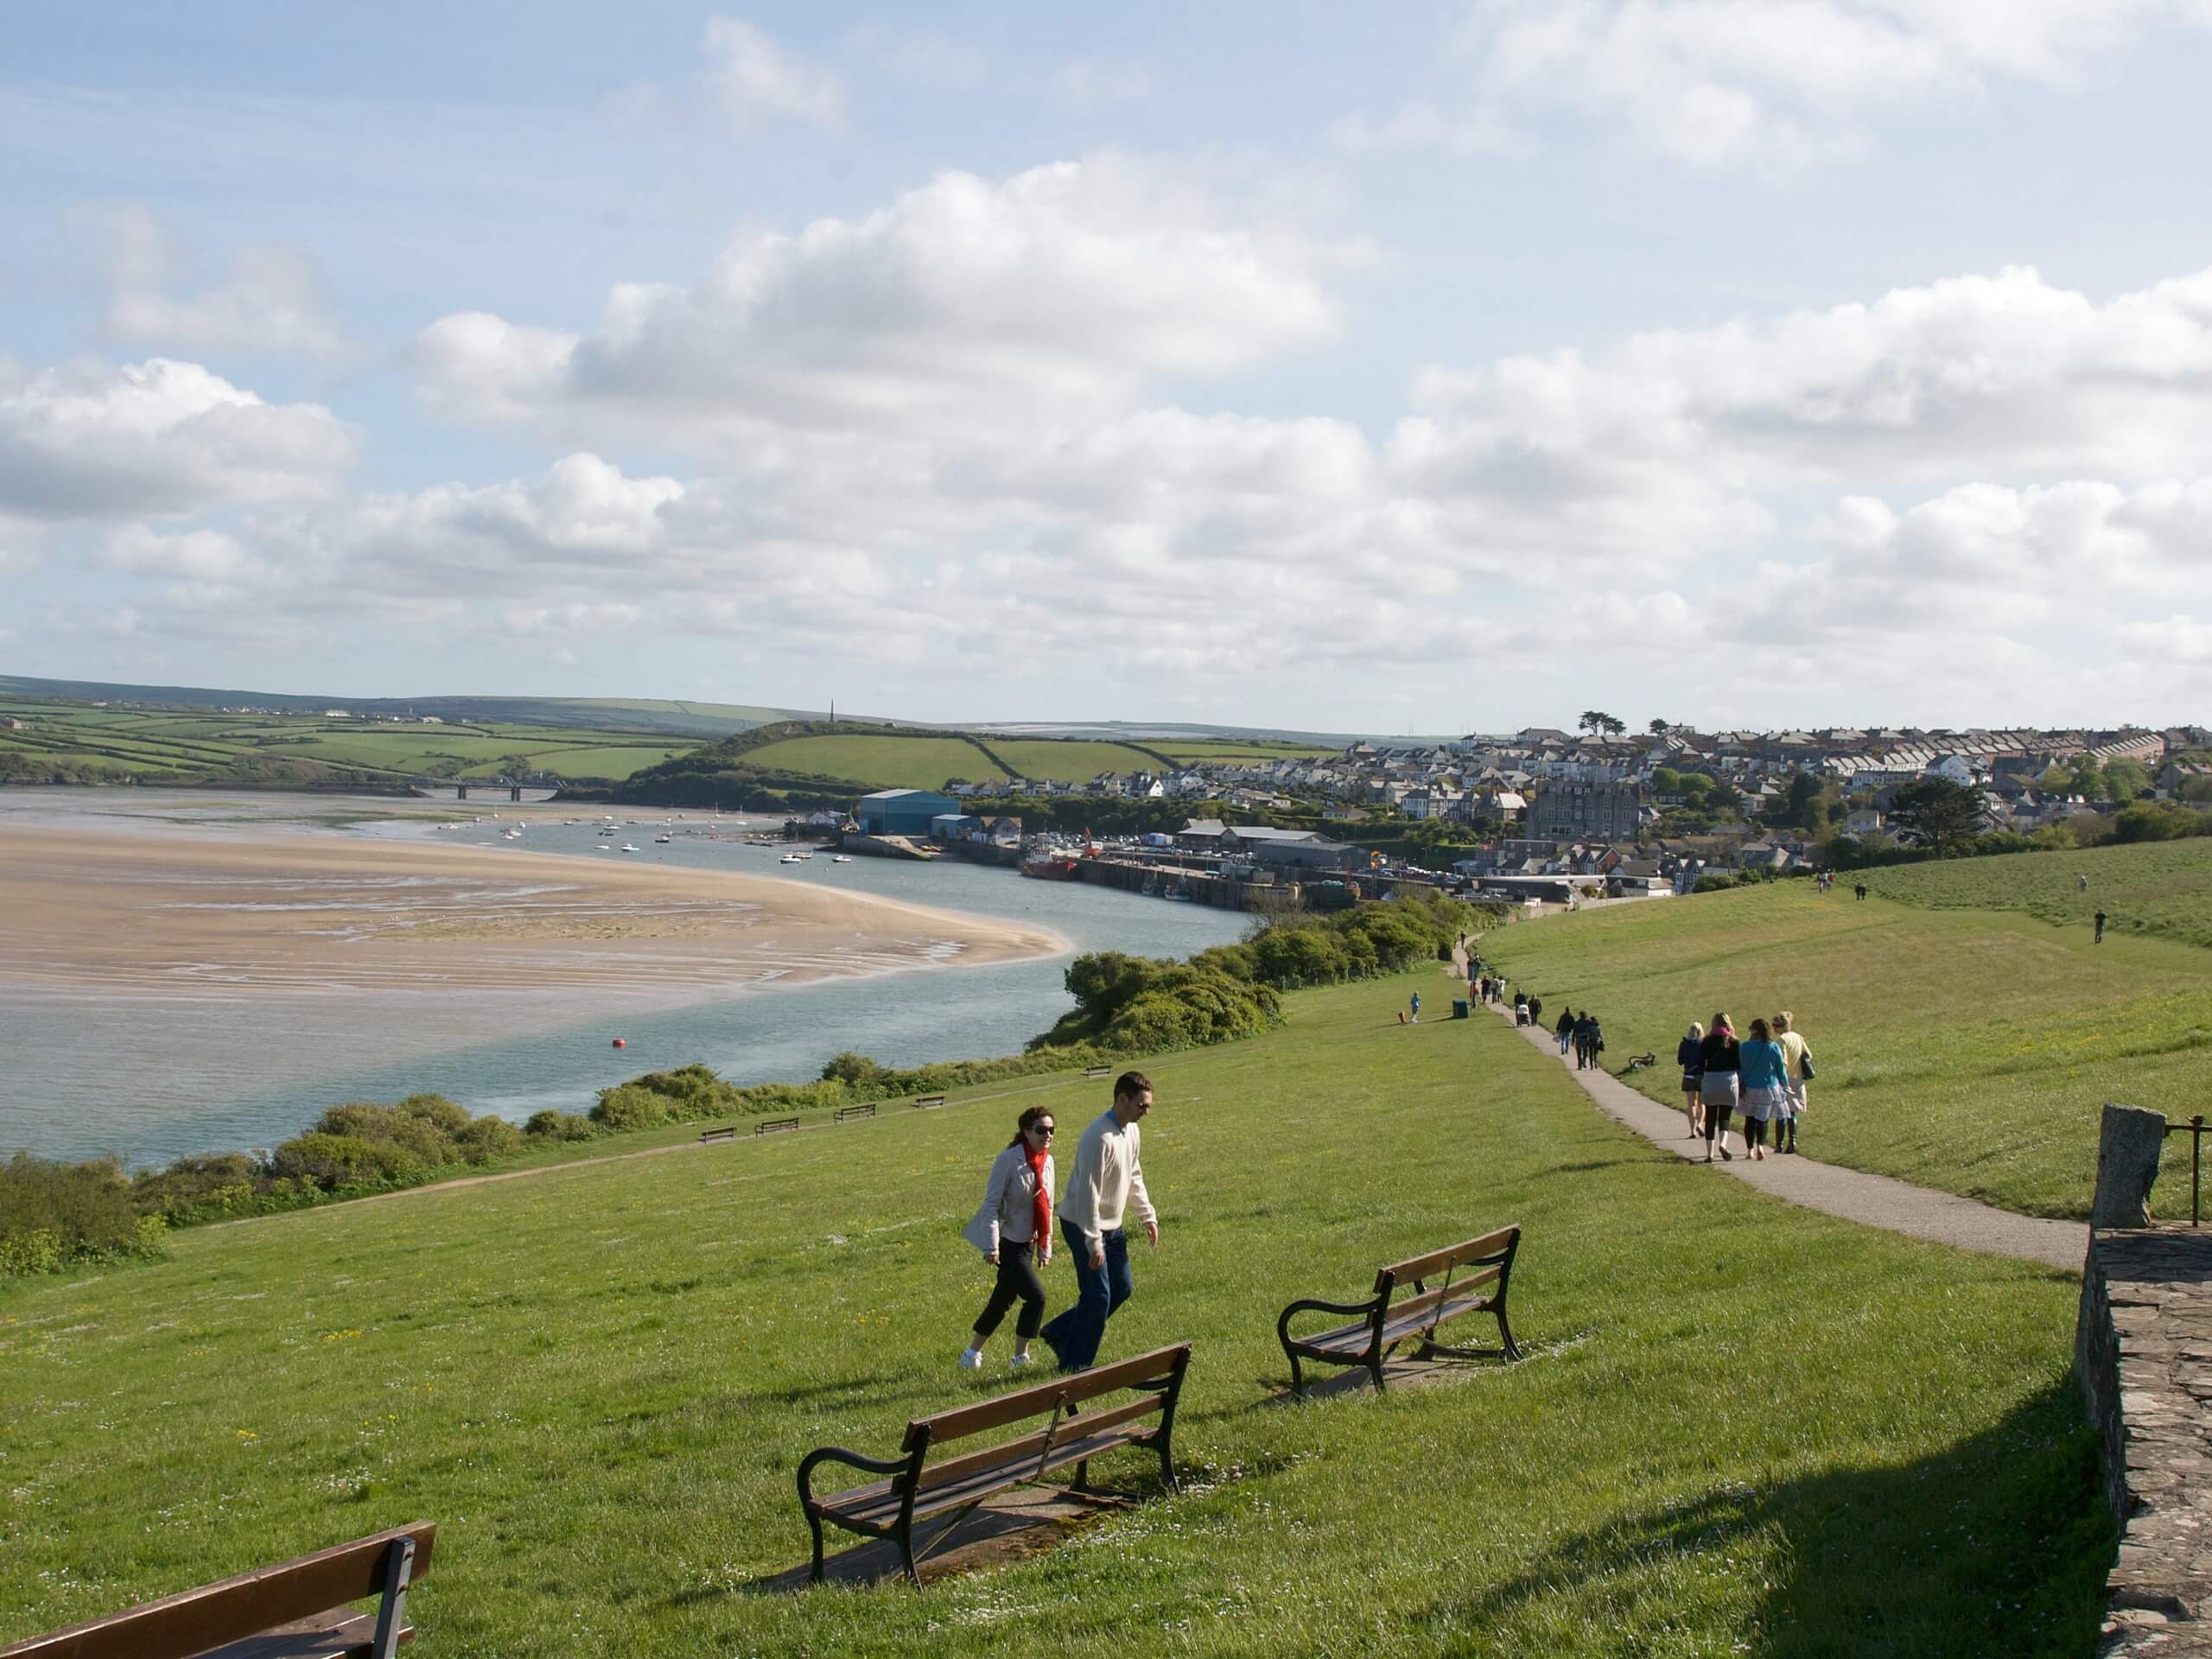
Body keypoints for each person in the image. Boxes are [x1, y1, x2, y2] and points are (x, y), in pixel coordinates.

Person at [1039, 1072, 1159, 1374]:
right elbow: (1088, 1194)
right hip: (1082, 1224)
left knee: (1121, 1287)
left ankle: (1061, 1330)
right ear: (1122, 1099)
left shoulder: (1130, 1131)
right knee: (1098, 1296)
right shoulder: (1099, 1136)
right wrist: (1093, 1242)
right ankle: (1074, 1368)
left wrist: (1147, 1214)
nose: (1146, 1111)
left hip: (1111, 1226)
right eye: (1141, 1105)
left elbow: (1133, 1174)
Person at [958, 1108, 1057, 1370]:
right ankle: (1020, 1358)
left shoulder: (1048, 1161)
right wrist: (992, 1246)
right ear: (1026, 1132)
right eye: (1041, 1130)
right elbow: (991, 1205)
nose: (1047, 1135)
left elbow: (1048, 1205)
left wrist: (1045, 1248)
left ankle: (970, 1355)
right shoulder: (1009, 1160)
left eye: (1051, 1130)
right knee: (1036, 1298)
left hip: (1029, 1242)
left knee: (1001, 1301)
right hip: (1007, 1243)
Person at [1737, 1017, 1788, 1161]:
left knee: (1750, 1119)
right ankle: (1760, 1146)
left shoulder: (1745, 1046)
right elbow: (1780, 1068)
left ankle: (1749, 1150)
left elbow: (1740, 1066)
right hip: (1768, 1088)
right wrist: (1785, 1084)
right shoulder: (1773, 1047)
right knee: (1763, 1120)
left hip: (1750, 1088)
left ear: (1754, 1030)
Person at [1698, 1014, 1741, 1162]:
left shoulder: (1707, 1041)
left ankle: (1709, 1154)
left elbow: (1700, 1062)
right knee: (1725, 1117)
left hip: (1711, 1079)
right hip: (1729, 1080)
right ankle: (1723, 1143)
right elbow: (1739, 1065)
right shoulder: (1734, 1042)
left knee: (1710, 1117)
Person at [1773, 1011, 1811, 1154]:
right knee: (1793, 1112)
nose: (1774, 1029)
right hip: (1798, 1078)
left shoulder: (1782, 1040)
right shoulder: (1798, 1037)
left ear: (1781, 1027)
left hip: (1786, 1079)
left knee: (1781, 1113)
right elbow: (1808, 1054)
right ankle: (1793, 1141)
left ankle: (1779, 1144)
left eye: (1775, 1026)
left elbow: (1783, 1061)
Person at [1678, 1021, 1706, 1137]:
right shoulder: (1703, 1043)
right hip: (1702, 1076)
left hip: (1688, 1075)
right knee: (1702, 1103)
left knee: (1691, 1104)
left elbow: (1680, 1061)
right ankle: (1700, 1124)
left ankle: (1692, 1131)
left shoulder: (1684, 1044)